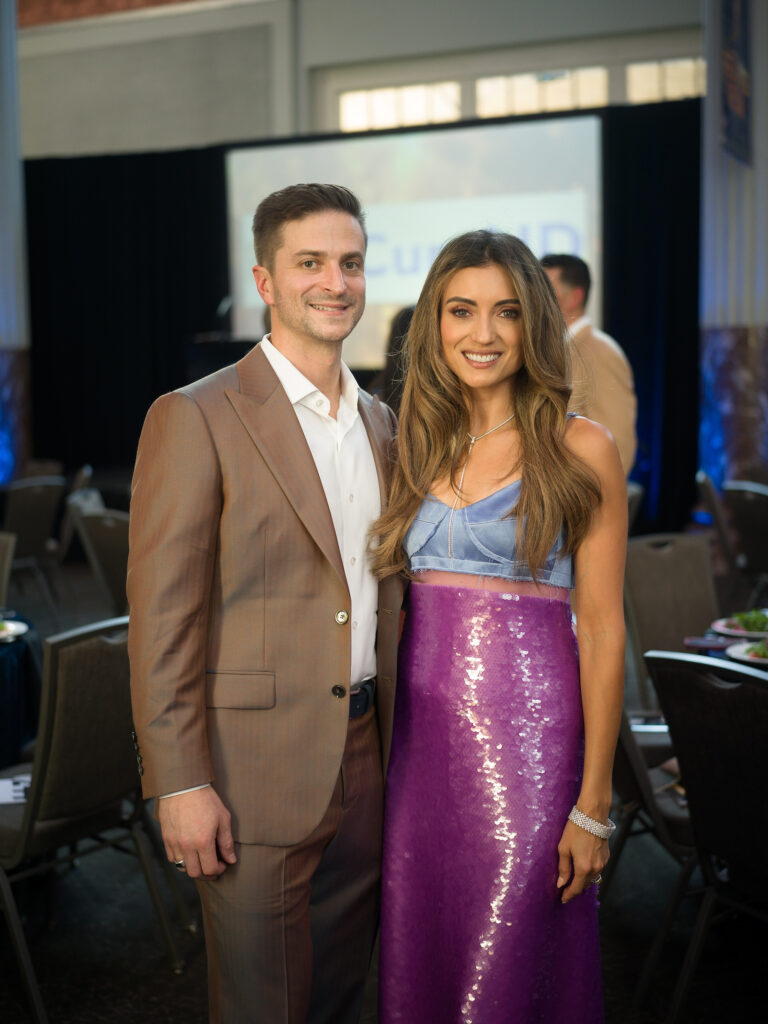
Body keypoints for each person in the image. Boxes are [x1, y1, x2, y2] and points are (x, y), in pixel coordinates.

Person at [127, 183, 400, 1024]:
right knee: (260, 1005)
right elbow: (164, 619)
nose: (335, 282)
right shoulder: (195, 416)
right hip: (248, 772)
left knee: (342, 990)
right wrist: (179, 783)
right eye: (310, 262)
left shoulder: (385, 423)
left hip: (369, 754)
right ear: (266, 281)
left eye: (350, 263)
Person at [370, 231, 626, 1023]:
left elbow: (607, 631)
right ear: (433, 324)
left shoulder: (581, 446)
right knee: (423, 941)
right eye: (461, 311)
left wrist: (592, 804)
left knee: (510, 952)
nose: (482, 334)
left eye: (507, 313)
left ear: (535, 325)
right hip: (415, 752)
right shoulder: (411, 439)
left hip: (530, 751)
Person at [540, 253, 637, 475]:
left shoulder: (601, 352)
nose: (536, 301)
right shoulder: (558, 350)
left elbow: (618, 447)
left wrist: (587, 505)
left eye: (546, 292)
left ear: (574, 298)